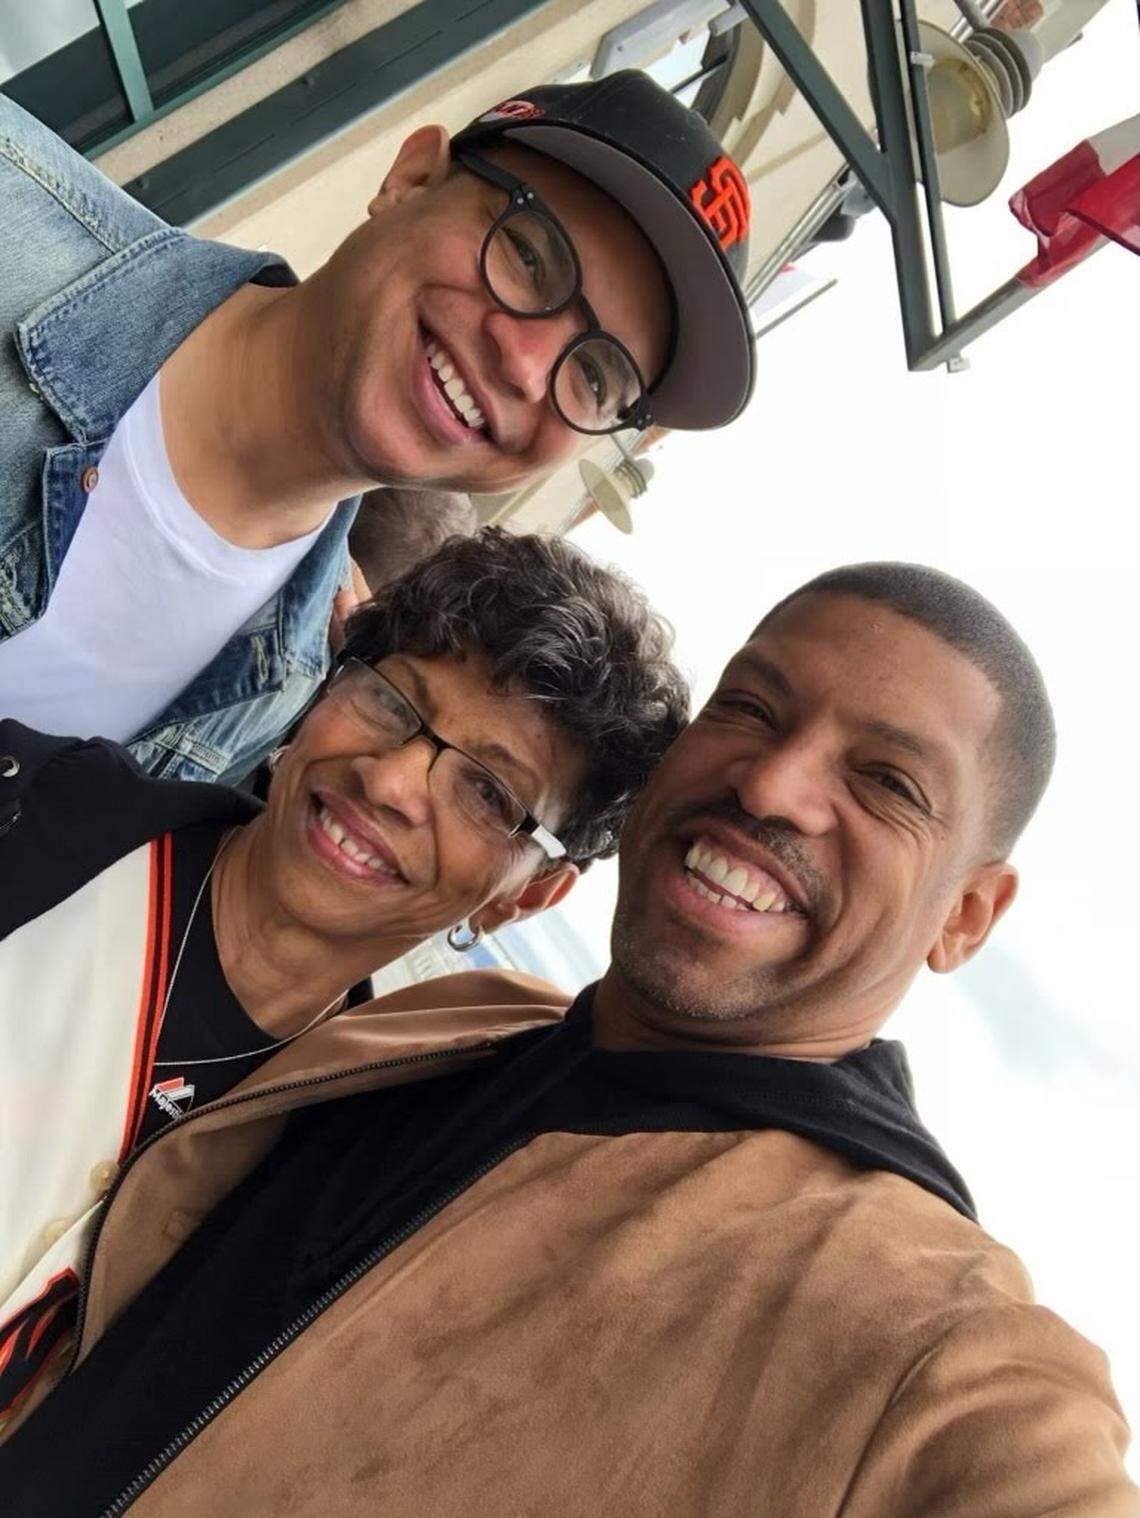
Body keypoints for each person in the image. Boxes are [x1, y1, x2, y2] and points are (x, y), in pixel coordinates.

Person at [10, 563, 1131, 1517]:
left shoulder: (916, 1326)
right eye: (751, 708)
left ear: (967, 917)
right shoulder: (438, 1034)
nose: (775, 786)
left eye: (887, 783)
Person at [0, 527, 688, 1435]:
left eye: (487, 791)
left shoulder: (342, 1156)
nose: (395, 780)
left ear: (532, 897)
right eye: (393, 702)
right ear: (327, 685)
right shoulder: (31, 810)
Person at [0, 71, 753, 783]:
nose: (527, 366)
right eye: (530, 255)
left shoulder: (282, 688)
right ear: (412, 178)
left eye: (596, 376)